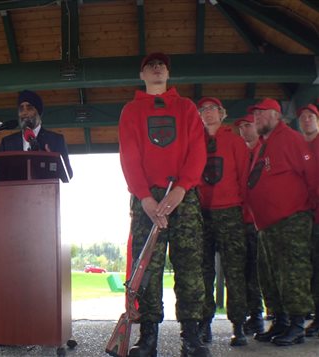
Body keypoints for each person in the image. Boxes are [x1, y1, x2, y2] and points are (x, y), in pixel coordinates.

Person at [118, 52, 210, 357]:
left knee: (190, 267)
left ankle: (192, 337)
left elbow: (198, 151)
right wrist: (145, 197)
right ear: (142, 75)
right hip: (148, 202)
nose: (156, 69)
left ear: (168, 73)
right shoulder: (131, 111)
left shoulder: (186, 108)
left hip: (183, 199)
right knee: (147, 269)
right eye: (150, 65)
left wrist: (182, 189)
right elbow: (129, 157)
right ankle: (148, 338)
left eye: (161, 65)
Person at [246, 98, 317, 346]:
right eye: (254, 115)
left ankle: (297, 324)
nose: (255, 118)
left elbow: (313, 176)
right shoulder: (264, 145)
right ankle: (281, 320)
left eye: (260, 114)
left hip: (292, 219)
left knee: (292, 271)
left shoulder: (291, 139)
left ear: (276, 115)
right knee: (269, 275)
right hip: (266, 225)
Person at [196, 97, 250, 346]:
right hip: (202, 214)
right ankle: (204, 323)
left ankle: (238, 325)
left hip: (230, 212)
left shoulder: (235, 141)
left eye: (212, 109)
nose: (207, 113)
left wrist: (243, 211)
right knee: (203, 271)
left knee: (234, 272)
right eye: (203, 110)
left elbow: (244, 178)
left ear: (222, 113)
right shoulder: (195, 141)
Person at [233, 114, 266, 335]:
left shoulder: (267, 150)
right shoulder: (240, 152)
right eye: (241, 126)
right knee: (242, 272)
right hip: (240, 220)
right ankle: (253, 316)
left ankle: (269, 316)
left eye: (248, 125)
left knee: (261, 272)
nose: (244, 130)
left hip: (262, 220)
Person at [0, 90, 73, 179]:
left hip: (44, 192)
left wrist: (51, 161)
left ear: (38, 112)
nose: (24, 112)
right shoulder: (7, 143)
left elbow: (68, 175)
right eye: (21, 108)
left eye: (29, 108)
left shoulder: (55, 140)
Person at [297, 103, 319, 337]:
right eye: (303, 117)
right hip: (306, 217)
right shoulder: (300, 146)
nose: (306, 120)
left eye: (311, 116)